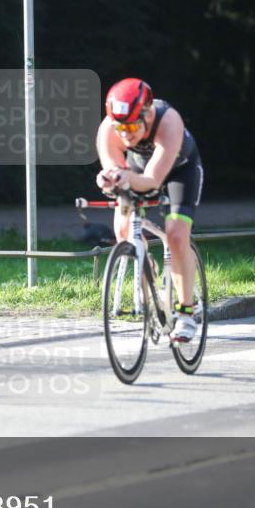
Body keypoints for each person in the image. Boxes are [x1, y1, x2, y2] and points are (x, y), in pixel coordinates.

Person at [95, 78, 204, 342]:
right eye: (120, 127)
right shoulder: (108, 129)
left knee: (177, 235)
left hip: (179, 172)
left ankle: (187, 311)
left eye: (132, 126)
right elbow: (116, 170)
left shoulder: (168, 121)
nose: (125, 134)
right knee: (123, 228)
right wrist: (108, 180)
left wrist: (123, 177)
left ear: (148, 113)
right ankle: (148, 266)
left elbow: (153, 181)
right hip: (137, 169)